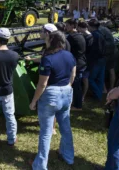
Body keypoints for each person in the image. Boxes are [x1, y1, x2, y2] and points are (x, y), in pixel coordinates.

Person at [29, 30, 76, 169]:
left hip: (51, 95)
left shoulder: (47, 59)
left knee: (46, 132)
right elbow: (73, 75)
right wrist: (67, 86)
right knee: (65, 127)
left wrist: (34, 101)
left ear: (52, 41)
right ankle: (68, 157)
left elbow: (42, 84)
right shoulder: (69, 55)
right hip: (67, 92)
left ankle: (40, 165)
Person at [65, 19, 86, 110]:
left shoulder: (71, 37)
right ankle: (77, 102)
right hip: (81, 61)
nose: (65, 27)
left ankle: (78, 106)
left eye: (67, 25)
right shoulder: (79, 35)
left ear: (72, 26)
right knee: (78, 84)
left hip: (76, 64)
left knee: (76, 85)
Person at [87, 19, 107, 101]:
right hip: (103, 58)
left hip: (96, 60)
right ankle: (99, 95)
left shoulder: (94, 35)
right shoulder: (101, 33)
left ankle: (98, 94)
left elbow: (96, 49)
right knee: (100, 78)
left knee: (90, 79)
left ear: (91, 27)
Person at [77, 21, 94, 101]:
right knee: (85, 79)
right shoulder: (90, 36)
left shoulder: (87, 38)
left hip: (85, 61)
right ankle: (83, 95)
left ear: (80, 28)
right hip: (89, 61)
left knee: (83, 79)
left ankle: (82, 95)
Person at [98, 25, 118, 93]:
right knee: (112, 70)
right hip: (114, 50)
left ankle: (104, 89)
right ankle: (111, 88)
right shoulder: (105, 28)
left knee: (102, 71)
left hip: (106, 53)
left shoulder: (98, 31)